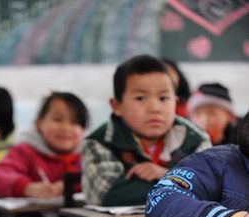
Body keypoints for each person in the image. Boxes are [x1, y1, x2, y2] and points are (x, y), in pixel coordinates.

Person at [81, 54, 210, 207]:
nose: (155, 108)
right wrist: (183, 182)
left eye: (163, 98)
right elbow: (109, 196)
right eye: (140, 98)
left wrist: (165, 174)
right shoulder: (100, 142)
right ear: (116, 106)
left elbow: (210, 189)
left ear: (175, 101)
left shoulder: (196, 138)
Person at [0, 91, 89, 199]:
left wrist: (71, 185)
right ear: (38, 123)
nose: (66, 128)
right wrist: (27, 187)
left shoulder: (89, 155)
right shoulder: (24, 151)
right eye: (57, 119)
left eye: (75, 122)